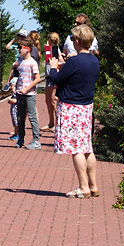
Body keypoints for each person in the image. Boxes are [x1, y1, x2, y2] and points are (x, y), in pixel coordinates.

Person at [47, 23, 100, 198]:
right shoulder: (94, 60)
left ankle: (83, 187)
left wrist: (54, 66)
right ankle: (93, 186)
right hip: (86, 107)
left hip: (71, 108)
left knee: (76, 148)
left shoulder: (75, 61)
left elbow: (57, 78)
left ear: (77, 41)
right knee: (87, 147)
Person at [13, 38, 41, 149]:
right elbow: (18, 76)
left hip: (30, 94)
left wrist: (27, 88)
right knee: (20, 117)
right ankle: (21, 139)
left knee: (32, 116)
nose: (18, 50)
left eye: (20, 48)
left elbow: (37, 78)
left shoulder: (32, 62)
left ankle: (36, 140)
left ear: (28, 49)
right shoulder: (20, 61)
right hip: (20, 92)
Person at [41, 31, 61, 132]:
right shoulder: (48, 49)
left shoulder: (56, 50)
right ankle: (51, 123)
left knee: (52, 101)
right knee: (48, 101)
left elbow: (61, 61)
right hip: (48, 77)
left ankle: (58, 123)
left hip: (53, 76)